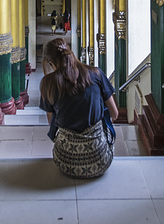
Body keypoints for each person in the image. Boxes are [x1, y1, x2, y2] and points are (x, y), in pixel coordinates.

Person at [39, 37, 118, 179]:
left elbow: (52, 123)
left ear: (51, 63)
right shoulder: (96, 73)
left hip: (65, 162)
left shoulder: (47, 83)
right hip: (101, 161)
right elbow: (114, 113)